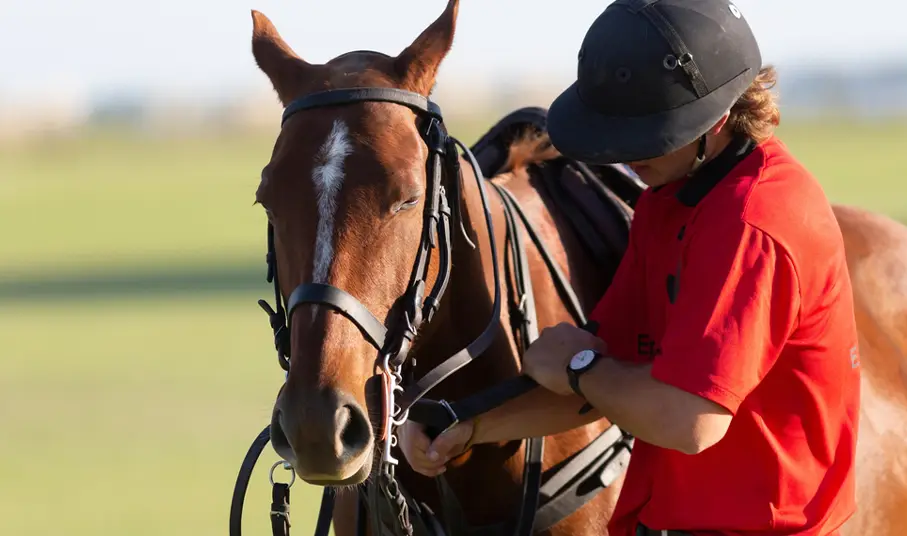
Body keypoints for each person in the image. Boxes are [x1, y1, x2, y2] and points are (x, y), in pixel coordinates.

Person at [398, 1, 862, 535]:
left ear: (714, 121)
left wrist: (578, 370)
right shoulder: (668, 198)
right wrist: (463, 427)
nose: (620, 154)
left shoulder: (754, 222)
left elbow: (690, 419)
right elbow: (608, 380)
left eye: (644, 133)